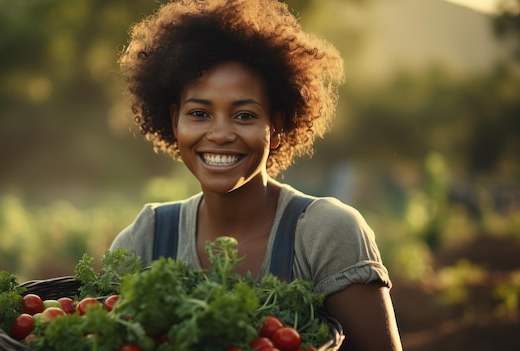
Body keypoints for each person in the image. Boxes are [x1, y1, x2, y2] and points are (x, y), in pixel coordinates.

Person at [110, 0, 403, 350]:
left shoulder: (325, 233)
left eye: (244, 115)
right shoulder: (144, 241)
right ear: (175, 122)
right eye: (200, 113)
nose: (220, 134)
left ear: (275, 126)